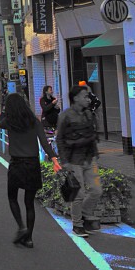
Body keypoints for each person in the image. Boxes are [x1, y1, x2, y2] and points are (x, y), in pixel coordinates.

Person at [0, 94, 61, 248]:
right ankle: (29, 238)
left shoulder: (9, 122)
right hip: (32, 164)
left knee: (12, 197)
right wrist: (54, 159)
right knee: (29, 202)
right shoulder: (34, 121)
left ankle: (21, 226)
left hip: (16, 163)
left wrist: (5, 110)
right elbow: (45, 143)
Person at [56, 86, 103, 237]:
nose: (87, 99)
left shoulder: (89, 114)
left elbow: (92, 134)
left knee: (96, 190)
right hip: (74, 159)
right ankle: (77, 224)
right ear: (76, 98)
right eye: (84, 96)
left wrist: (95, 154)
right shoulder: (65, 116)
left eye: (88, 97)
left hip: (89, 158)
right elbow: (60, 139)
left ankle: (84, 213)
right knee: (79, 193)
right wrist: (64, 161)